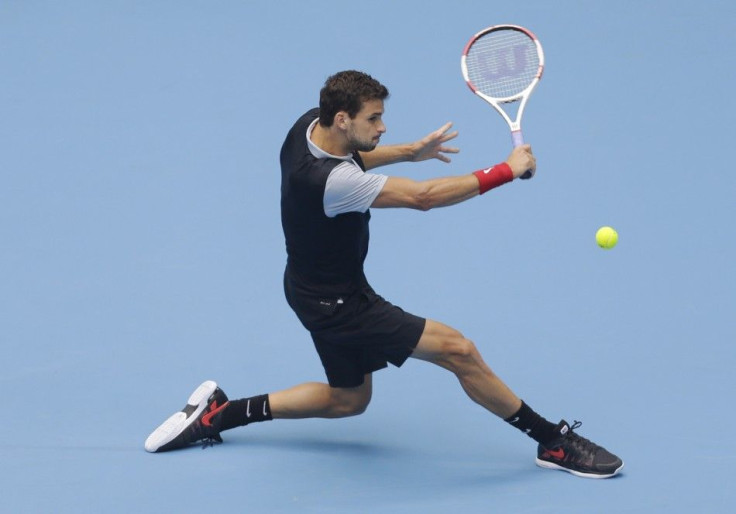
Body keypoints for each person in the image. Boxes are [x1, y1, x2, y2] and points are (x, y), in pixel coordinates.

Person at [144, 70, 623, 479]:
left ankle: (219, 415)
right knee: (459, 350)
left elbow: (352, 155)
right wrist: (506, 169)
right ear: (342, 118)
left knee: (349, 401)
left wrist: (406, 151)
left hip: (309, 288)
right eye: (374, 119)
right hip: (340, 304)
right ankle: (552, 443)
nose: (382, 126)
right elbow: (423, 197)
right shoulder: (331, 184)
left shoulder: (305, 128)